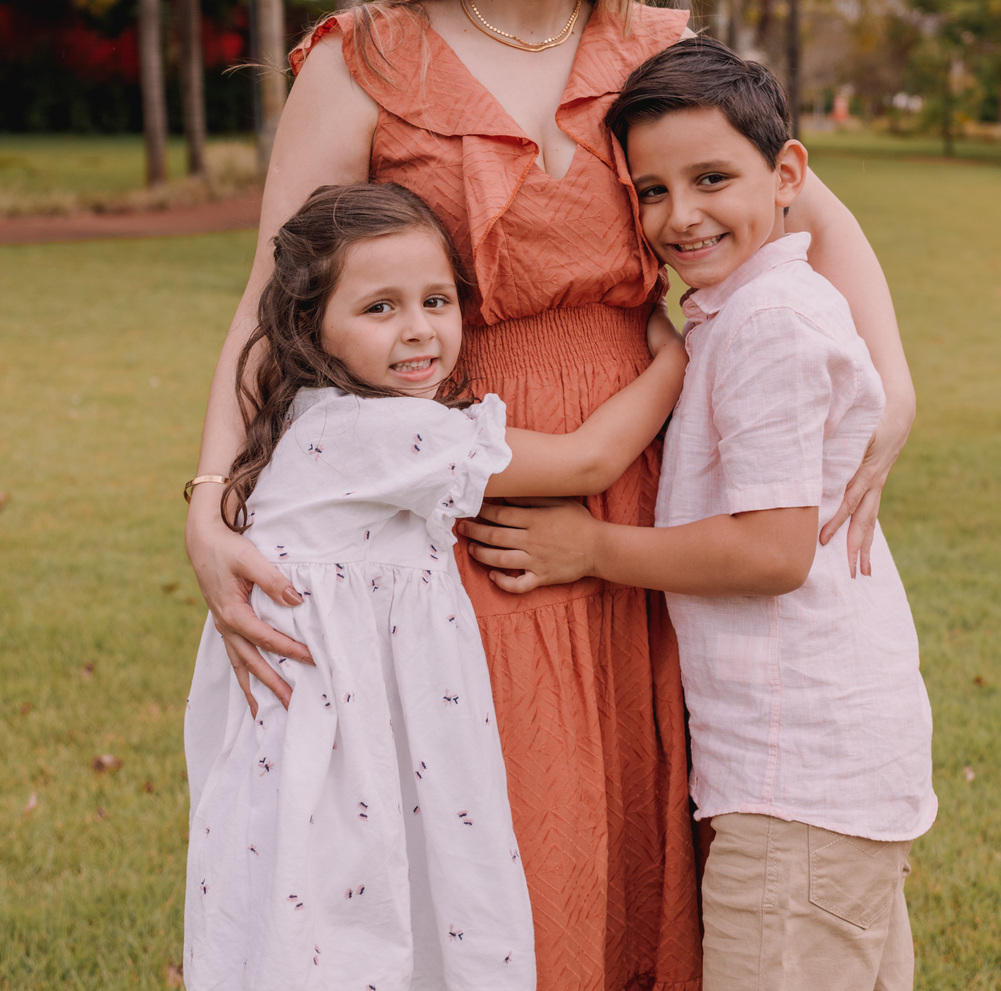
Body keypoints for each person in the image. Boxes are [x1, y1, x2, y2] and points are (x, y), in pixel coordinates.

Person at [185, 0, 919, 991]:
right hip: (474, 507)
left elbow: (816, 210)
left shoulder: (663, 49)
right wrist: (210, 503)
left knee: (657, 837)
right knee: (511, 847)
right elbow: (271, 294)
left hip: (654, 494)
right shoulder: (365, 59)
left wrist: (894, 393)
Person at [462, 37, 936, 991]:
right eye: (651, 192)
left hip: (794, 781)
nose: (681, 217)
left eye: (712, 178)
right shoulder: (744, 309)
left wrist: (590, 546)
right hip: (828, 768)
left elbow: (771, 551)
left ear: (788, 173)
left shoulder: (770, 325)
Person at [184, 180, 686, 991]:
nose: (419, 331)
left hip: (307, 731)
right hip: (342, 735)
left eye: (437, 300)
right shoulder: (393, 432)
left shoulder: (312, 417)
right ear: (311, 327)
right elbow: (593, 460)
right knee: (375, 910)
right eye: (380, 309)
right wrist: (676, 357)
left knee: (313, 922)